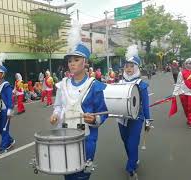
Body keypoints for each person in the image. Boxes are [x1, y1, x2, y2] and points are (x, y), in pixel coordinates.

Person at [50, 23, 108, 180]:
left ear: (85, 63)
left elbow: (103, 112)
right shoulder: (63, 84)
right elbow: (59, 106)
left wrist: (95, 119)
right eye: (70, 61)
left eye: (76, 60)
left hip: (87, 137)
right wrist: (55, 115)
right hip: (66, 135)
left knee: (82, 175)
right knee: (67, 172)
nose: (72, 64)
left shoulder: (94, 86)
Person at [117, 45, 152, 179]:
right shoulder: (119, 83)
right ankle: (134, 159)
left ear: (136, 68)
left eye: (132, 66)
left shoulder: (141, 85)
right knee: (126, 142)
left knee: (132, 142)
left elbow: (146, 105)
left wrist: (148, 121)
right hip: (121, 119)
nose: (129, 69)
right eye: (127, 66)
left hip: (137, 118)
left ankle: (131, 169)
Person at [0, 53, 15, 155]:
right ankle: (10, 140)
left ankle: (3, 147)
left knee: (4, 129)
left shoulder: (6, 85)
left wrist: (10, 111)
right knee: (0, 128)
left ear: (3, 74)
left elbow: (10, 99)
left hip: (5, 110)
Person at [173, 58, 191, 128]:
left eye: (190, 63)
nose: (188, 65)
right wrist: (175, 92)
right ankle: (189, 118)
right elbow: (178, 83)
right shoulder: (181, 73)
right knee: (186, 108)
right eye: (187, 63)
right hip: (183, 93)